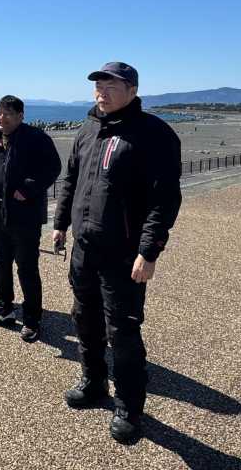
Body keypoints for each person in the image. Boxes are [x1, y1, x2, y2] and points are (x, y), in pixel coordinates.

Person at [52, 62, 182, 445]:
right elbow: (71, 178)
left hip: (123, 254)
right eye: (98, 85)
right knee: (84, 318)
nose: (101, 92)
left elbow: (164, 199)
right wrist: (60, 223)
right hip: (84, 248)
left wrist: (149, 251)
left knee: (122, 331)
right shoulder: (88, 128)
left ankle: (129, 407)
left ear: (132, 90)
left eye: (111, 85)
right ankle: (93, 382)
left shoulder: (153, 134)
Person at [0, 95, 61, 342]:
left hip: (25, 215)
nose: (1, 117)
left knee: (27, 267)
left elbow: (53, 167)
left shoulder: (35, 138)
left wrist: (28, 189)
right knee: (0, 263)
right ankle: (4, 310)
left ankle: (32, 319)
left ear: (21, 116)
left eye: (8, 113)